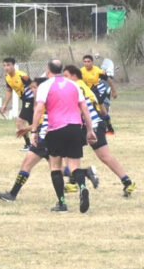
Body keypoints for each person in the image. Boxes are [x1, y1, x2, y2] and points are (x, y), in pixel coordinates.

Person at [31, 59, 97, 213]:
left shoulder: (45, 86)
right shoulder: (73, 84)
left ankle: (62, 203)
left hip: (55, 129)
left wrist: (34, 131)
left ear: (48, 70)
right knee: (74, 166)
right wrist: (90, 130)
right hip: (75, 128)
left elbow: (39, 109)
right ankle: (82, 187)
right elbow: (84, 109)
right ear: (60, 70)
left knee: (55, 166)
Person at [62, 65, 135, 198]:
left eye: (66, 76)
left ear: (74, 76)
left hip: (92, 125)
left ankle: (74, 181)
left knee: (102, 156)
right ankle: (127, 181)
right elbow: (94, 101)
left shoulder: (76, 86)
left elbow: (80, 107)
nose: (64, 79)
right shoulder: (81, 85)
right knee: (73, 150)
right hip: (91, 123)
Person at [0, 57, 37, 150]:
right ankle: (36, 144)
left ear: (13, 65)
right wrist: (5, 105)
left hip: (31, 100)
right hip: (25, 100)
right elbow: (9, 91)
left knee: (20, 122)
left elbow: (34, 88)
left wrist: (36, 104)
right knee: (34, 123)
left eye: (8, 65)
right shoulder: (7, 77)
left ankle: (29, 145)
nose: (6, 67)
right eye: (4, 65)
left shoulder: (22, 75)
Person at [81, 54, 117, 134]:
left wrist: (114, 91)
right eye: (85, 62)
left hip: (96, 91)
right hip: (86, 92)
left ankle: (109, 127)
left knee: (102, 110)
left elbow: (109, 80)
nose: (86, 63)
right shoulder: (81, 71)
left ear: (92, 62)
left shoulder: (98, 71)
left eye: (88, 61)